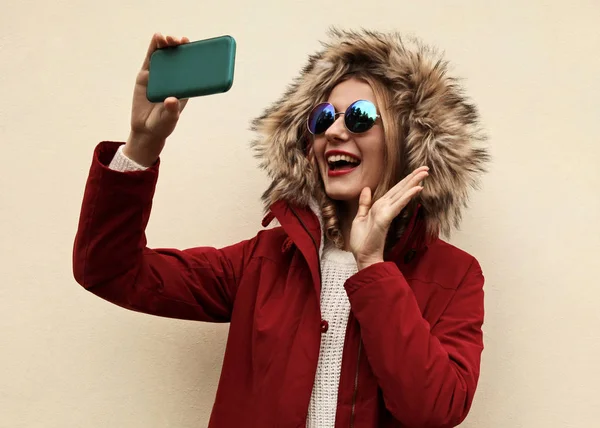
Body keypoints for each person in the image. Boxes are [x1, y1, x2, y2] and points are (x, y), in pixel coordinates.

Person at [73, 28, 489, 428]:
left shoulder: (456, 276)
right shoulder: (263, 261)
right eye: (323, 117)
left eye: (360, 117)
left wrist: (372, 266)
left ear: (410, 140)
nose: (335, 131)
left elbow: (433, 408)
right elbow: (109, 271)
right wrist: (142, 144)